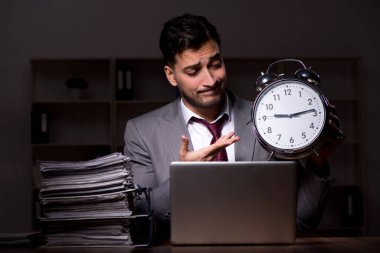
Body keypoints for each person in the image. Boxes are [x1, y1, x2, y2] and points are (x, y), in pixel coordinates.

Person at [124, 13, 343, 239]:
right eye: (193, 71)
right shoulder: (141, 132)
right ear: (171, 76)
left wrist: (318, 163)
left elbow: (302, 221)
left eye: (216, 64)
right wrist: (184, 176)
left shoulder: (272, 120)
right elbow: (141, 220)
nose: (210, 80)